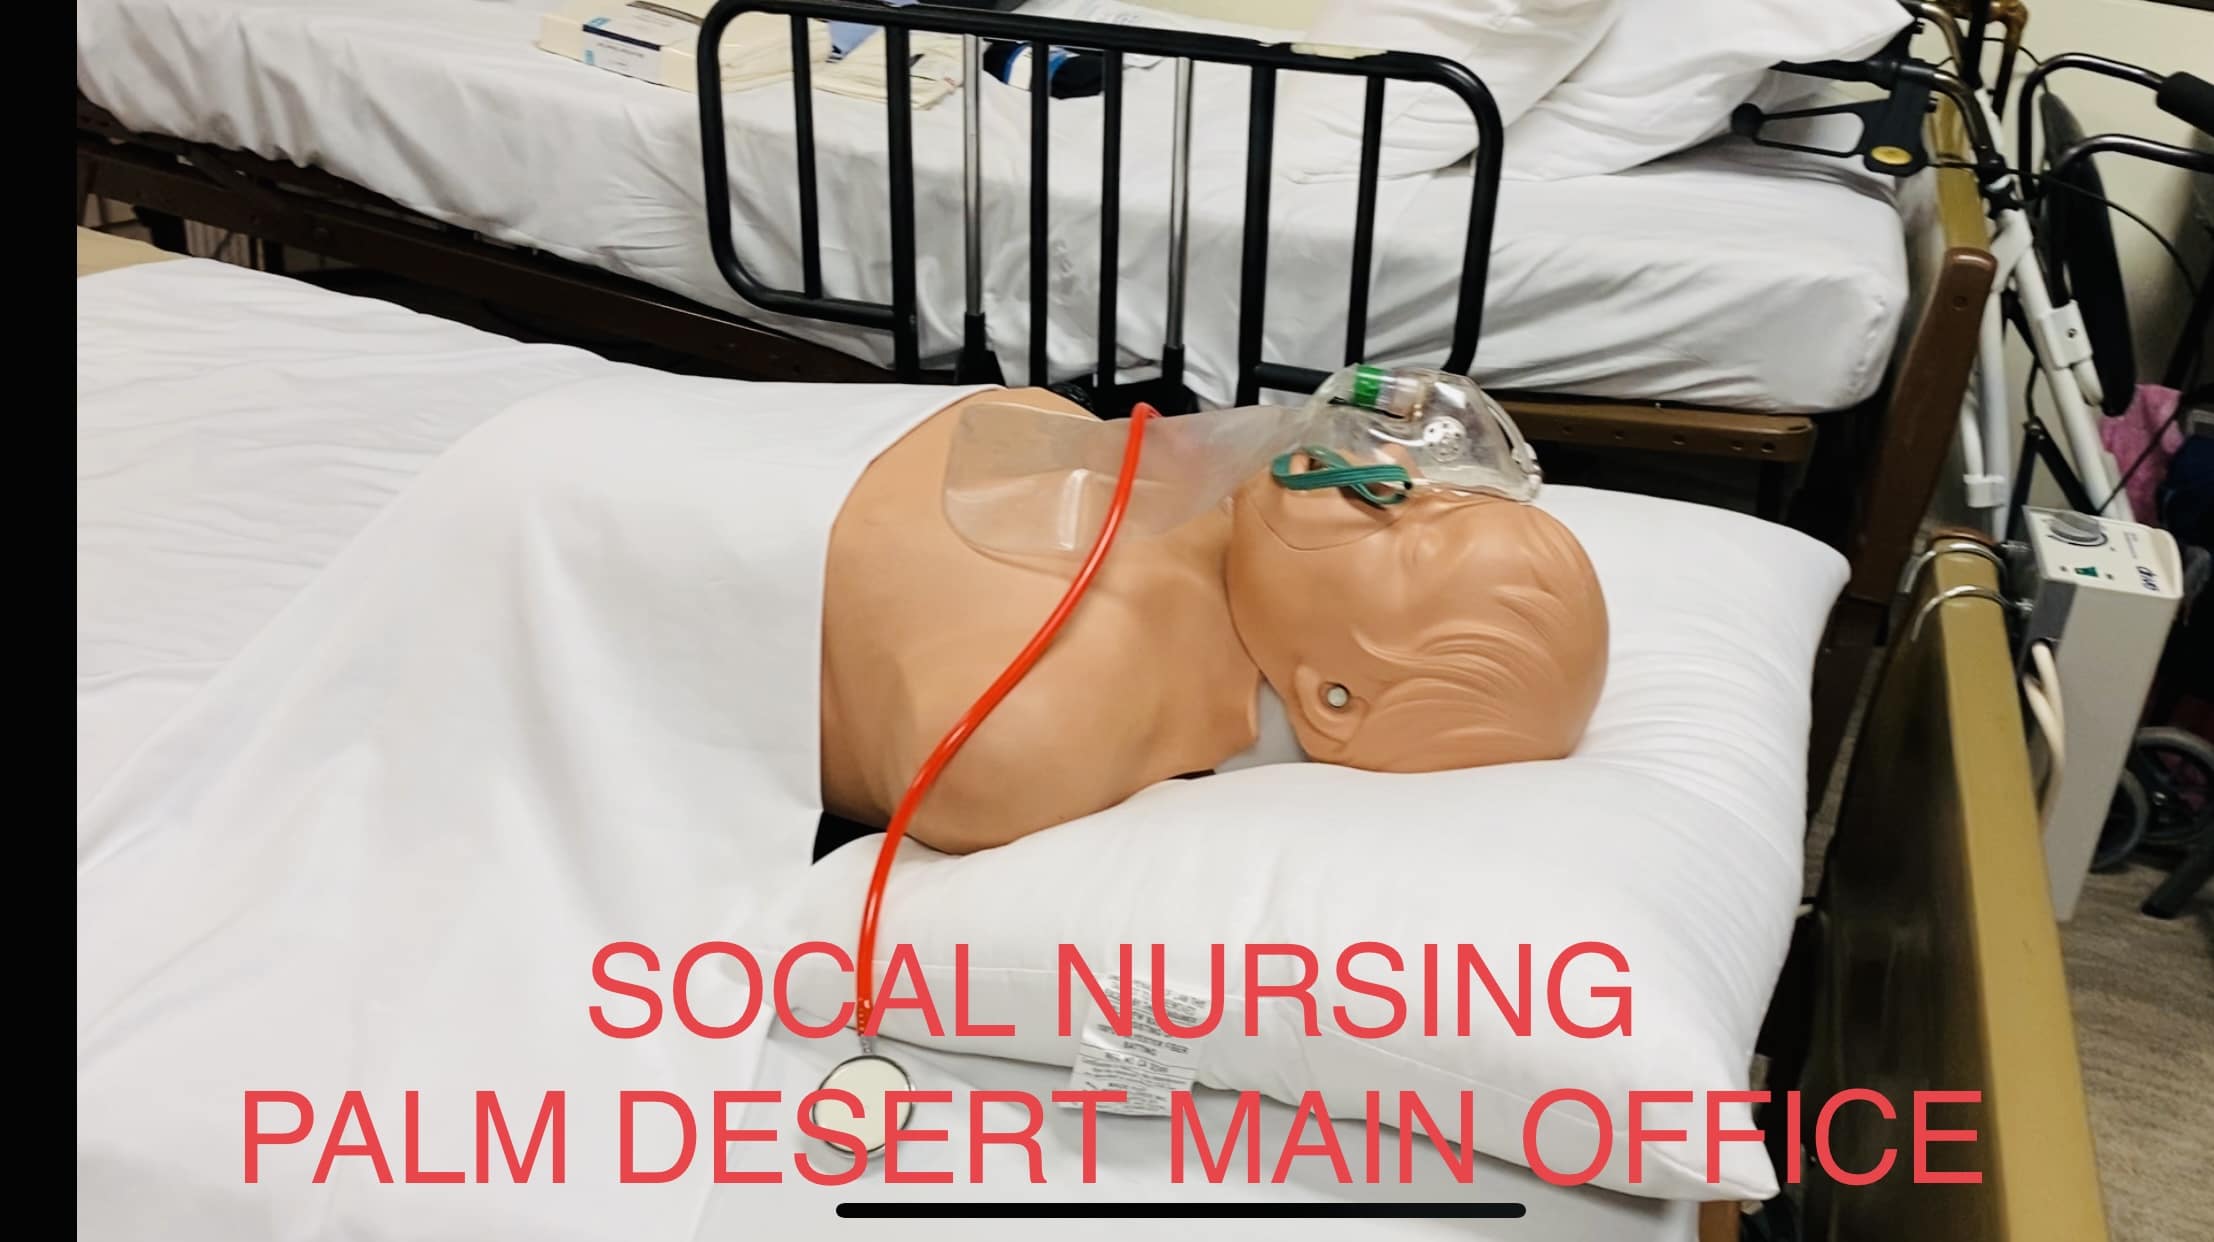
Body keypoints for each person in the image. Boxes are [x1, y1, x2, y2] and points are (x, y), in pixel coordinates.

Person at [820, 384, 1610, 854]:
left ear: (1332, 702)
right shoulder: (1216, 510)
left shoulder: (1061, 714)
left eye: (1411, 540)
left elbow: (970, 775)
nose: (1396, 467)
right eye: (1446, 495)